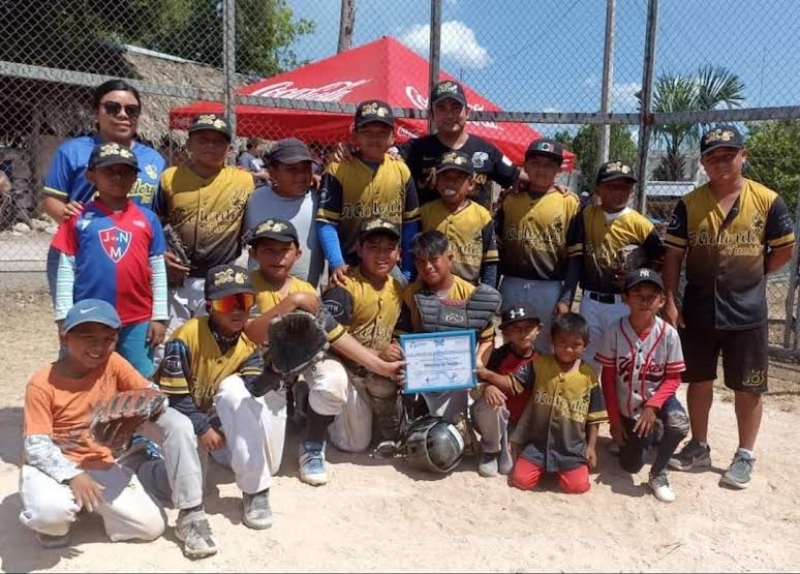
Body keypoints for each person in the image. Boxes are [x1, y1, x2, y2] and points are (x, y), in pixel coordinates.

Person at [663, 125, 796, 489]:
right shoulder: (689, 204)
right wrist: (671, 301)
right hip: (699, 309)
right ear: (703, 163)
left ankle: (745, 454)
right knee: (698, 380)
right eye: (712, 157)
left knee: (748, 387)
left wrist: (753, 273)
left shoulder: (768, 200)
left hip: (747, 312)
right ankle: (699, 445)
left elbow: (784, 249)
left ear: (743, 156)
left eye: (728, 154)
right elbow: (673, 255)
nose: (720, 162)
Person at [242, 218, 405, 486]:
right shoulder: (246, 285)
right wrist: (292, 302)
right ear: (253, 253)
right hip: (259, 374)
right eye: (268, 250)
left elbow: (335, 335)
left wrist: (383, 367)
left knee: (334, 383)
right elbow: (251, 335)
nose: (277, 257)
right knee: (269, 465)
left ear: (298, 253)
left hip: (296, 367)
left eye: (284, 250)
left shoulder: (306, 289)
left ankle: (312, 444)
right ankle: (297, 403)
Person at [138, 264, 279, 559]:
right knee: (183, 451)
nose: (237, 310)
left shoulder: (246, 344)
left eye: (244, 301)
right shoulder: (186, 335)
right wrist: (204, 428)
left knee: (236, 395)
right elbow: (175, 397)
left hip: (197, 413)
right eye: (228, 302)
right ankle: (182, 509)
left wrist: (276, 370)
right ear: (210, 306)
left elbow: (253, 389)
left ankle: (255, 490)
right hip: (162, 411)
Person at [20, 299, 165, 549]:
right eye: (88, 337)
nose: (98, 347)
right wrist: (73, 476)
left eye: (108, 339)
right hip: (54, 466)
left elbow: (153, 392)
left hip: (99, 462)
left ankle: (89, 504)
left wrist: (144, 409)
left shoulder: (113, 363)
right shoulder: (41, 383)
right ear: (65, 338)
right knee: (50, 514)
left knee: (150, 527)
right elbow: (36, 446)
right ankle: (55, 524)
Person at [42, 79, 166, 303]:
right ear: (95, 113)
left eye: (131, 110)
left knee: (133, 318)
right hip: (83, 253)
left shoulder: (154, 159)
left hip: (134, 256)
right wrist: (73, 220)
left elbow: (159, 212)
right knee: (82, 321)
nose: (123, 114)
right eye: (112, 108)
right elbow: (52, 199)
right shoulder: (72, 151)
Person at [51, 143, 168, 377]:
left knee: (137, 377)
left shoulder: (148, 218)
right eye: (109, 171)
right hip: (88, 317)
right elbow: (65, 269)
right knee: (84, 374)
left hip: (137, 318)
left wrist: (159, 316)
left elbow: (157, 268)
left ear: (135, 177)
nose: (117, 177)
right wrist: (64, 315)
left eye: (125, 171)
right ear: (91, 176)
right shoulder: (77, 218)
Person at [155, 114, 254, 347]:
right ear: (189, 144)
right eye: (202, 139)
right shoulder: (170, 178)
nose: (210, 145)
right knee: (169, 343)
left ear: (229, 148)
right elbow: (155, 222)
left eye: (218, 141)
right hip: (176, 277)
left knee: (210, 343)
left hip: (219, 278)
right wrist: (160, 253)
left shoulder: (244, 181)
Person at [596, 268, 689, 502]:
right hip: (628, 406)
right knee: (630, 465)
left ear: (662, 301)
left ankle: (659, 473)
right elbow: (607, 378)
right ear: (625, 298)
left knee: (678, 423)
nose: (645, 300)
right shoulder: (614, 331)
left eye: (652, 296)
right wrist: (614, 422)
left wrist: (653, 406)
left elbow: (674, 378)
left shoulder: (669, 334)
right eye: (638, 294)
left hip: (658, 400)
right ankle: (652, 435)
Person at [564, 161, 665, 367]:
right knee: (587, 360)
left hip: (623, 303)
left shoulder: (640, 224)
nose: (618, 192)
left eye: (624, 187)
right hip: (590, 301)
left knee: (623, 361)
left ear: (632, 191)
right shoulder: (585, 216)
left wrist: (636, 281)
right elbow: (575, 260)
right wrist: (566, 299)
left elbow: (660, 259)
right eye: (611, 186)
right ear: (597, 189)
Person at [395, 230, 501, 422]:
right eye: (420, 261)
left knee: (453, 426)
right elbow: (401, 335)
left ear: (449, 259)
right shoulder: (411, 293)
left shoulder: (471, 294)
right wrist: (402, 365)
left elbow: (487, 339)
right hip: (422, 373)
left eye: (434, 259)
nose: (427, 266)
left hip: (458, 375)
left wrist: (476, 364)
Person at [322, 217, 408, 451]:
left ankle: (383, 423)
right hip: (346, 369)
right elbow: (332, 342)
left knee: (385, 385)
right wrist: (378, 354)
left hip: (375, 371)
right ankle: (318, 409)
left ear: (399, 253)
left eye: (389, 248)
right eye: (373, 247)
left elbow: (400, 330)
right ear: (359, 249)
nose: (382, 255)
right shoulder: (344, 286)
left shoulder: (398, 287)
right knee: (355, 444)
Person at [317, 99, 420, 284]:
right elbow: (326, 222)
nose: (375, 138)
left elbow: (410, 224)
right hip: (348, 265)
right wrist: (337, 263)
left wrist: (407, 269)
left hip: (389, 264)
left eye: (382, 133)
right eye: (367, 132)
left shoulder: (401, 170)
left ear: (393, 137)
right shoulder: (338, 169)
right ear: (355, 135)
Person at [495, 139, 581, 353]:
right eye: (535, 163)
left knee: (545, 346)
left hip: (548, 286)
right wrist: (493, 289)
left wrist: (566, 298)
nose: (541, 169)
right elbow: (496, 249)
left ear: (559, 169)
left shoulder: (569, 202)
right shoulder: (510, 198)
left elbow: (575, 257)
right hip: (511, 282)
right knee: (512, 345)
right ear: (524, 166)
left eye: (549, 164)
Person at [509, 313, 607, 494]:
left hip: (571, 448)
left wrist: (591, 447)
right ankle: (541, 464)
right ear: (551, 340)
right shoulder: (539, 364)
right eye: (562, 342)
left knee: (577, 487)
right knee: (521, 480)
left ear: (586, 344)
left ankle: (564, 468)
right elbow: (512, 383)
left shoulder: (589, 376)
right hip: (538, 444)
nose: (568, 349)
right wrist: (487, 377)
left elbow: (594, 417)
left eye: (576, 345)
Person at [397, 80, 524, 211]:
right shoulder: (414, 149)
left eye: (456, 107)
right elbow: (388, 161)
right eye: (441, 108)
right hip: (426, 223)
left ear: (467, 112)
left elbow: (518, 179)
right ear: (431, 115)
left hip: (476, 224)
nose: (449, 115)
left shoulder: (486, 150)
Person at [470, 303, 541, 477]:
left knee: (507, 468)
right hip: (493, 417)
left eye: (528, 328)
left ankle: (508, 442)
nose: (523, 333)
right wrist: (487, 386)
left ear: (539, 329)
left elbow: (513, 386)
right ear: (505, 333)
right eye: (516, 329)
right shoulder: (498, 355)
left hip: (521, 422)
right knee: (492, 400)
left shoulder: (542, 360)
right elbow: (474, 385)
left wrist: (488, 375)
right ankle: (490, 451)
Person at [244, 138, 324, 287]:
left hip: (305, 294)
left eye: (306, 168)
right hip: (259, 293)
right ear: (272, 172)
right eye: (292, 169)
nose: (301, 175)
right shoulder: (255, 199)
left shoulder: (320, 200)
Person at [419, 150, 498, 287]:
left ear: (471, 184)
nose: (451, 183)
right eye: (445, 178)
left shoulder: (482, 215)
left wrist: (487, 290)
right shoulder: (425, 212)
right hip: (431, 287)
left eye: (458, 179)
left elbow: (489, 260)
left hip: (469, 287)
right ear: (436, 181)